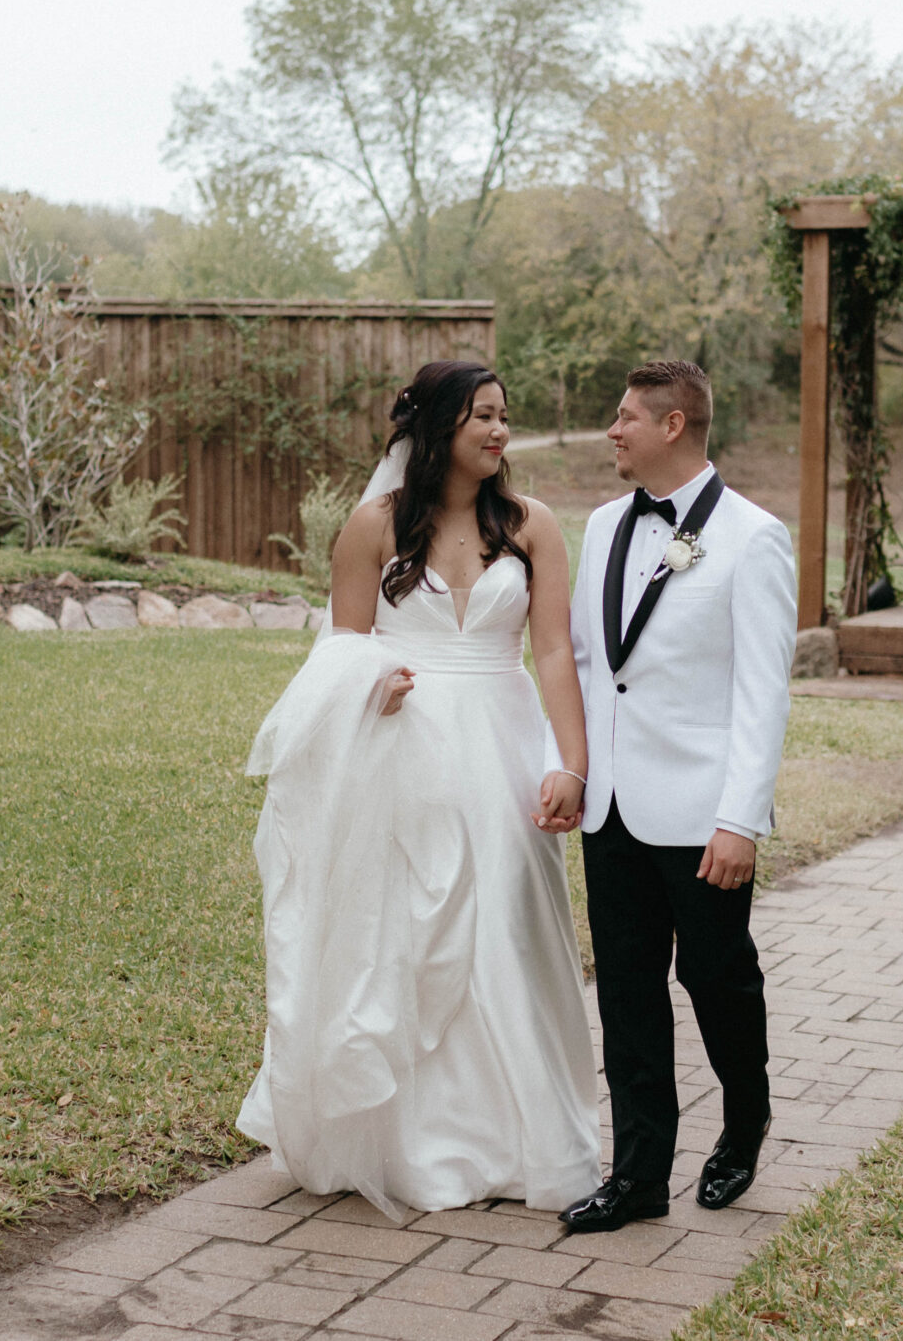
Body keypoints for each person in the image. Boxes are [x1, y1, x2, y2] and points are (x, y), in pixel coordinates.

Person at [236, 360, 601, 1221]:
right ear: (438, 427)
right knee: (411, 927)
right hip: (406, 750)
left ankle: (523, 1137)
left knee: (508, 921)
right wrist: (370, 684)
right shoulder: (372, 527)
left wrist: (571, 762)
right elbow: (340, 647)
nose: (499, 431)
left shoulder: (533, 525)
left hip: (505, 749)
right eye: (482, 415)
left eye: (504, 416)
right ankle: (411, 1139)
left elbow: (554, 652)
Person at [557, 360, 796, 1233]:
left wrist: (741, 818)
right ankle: (638, 1175)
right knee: (625, 992)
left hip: (702, 815)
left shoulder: (753, 538)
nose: (610, 430)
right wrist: (573, 769)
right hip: (611, 807)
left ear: (674, 424)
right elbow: (589, 667)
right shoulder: (601, 525)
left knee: (717, 980)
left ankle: (744, 1120)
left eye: (624, 417)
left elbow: (763, 692)